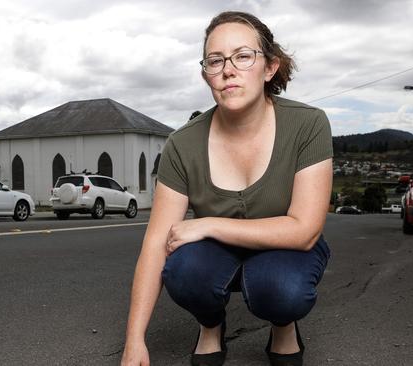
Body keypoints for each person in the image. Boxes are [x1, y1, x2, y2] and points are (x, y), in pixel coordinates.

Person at [122, 11, 332, 366]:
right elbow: (156, 244)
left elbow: (305, 231)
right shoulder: (182, 144)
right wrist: (134, 341)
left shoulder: (308, 124)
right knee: (183, 270)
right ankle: (211, 324)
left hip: (284, 250)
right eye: (215, 61)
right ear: (206, 74)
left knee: (282, 289)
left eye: (243, 56)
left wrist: (208, 224)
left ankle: (283, 325)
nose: (228, 70)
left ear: (269, 68)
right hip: (216, 254)